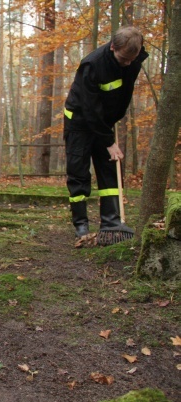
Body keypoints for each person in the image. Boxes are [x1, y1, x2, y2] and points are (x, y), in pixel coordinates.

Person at [63, 26, 148, 241]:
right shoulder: (92, 65)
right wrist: (109, 141)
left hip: (105, 122)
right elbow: (90, 108)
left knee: (110, 167)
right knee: (78, 171)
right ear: (112, 47)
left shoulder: (133, 60)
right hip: (80, 121)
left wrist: (112, 122)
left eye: (131, 59)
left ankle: (111, 223)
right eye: (123, 58)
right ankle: (81, 225)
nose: (127, 63)